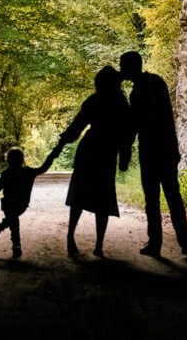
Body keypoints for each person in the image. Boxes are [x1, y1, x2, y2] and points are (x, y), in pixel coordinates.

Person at [119, 51, 187, 260]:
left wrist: (125, 152)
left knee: (153, 200)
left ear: (131, 67)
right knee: (173, 197)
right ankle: (185, 243)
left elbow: (134, 125)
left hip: (151, 152)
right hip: (166, 149)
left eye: (123, 66)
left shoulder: (137, 93)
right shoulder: (157, 82)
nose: (121, 70)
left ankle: (155, 243)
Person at [59, 66, 131, 257]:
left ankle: (70, 238)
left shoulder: (94, 100)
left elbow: (77, 127)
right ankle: (98, 245)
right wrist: (124, 157)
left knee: (80, 196)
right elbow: (126, 135)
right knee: (103, 198)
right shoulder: (121, 103)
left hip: (89, 150)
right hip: (107, 153)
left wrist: (63, 140)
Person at [0, 143, 63, 258]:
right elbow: (44, 168)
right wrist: (53, 154)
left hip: (8, 204)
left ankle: (8, 234)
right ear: (22, 160)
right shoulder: (28, 172)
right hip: (22, 204)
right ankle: (15, 244)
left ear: (8, 160)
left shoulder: (6, 173)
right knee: (14, 220)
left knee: (13, 220)